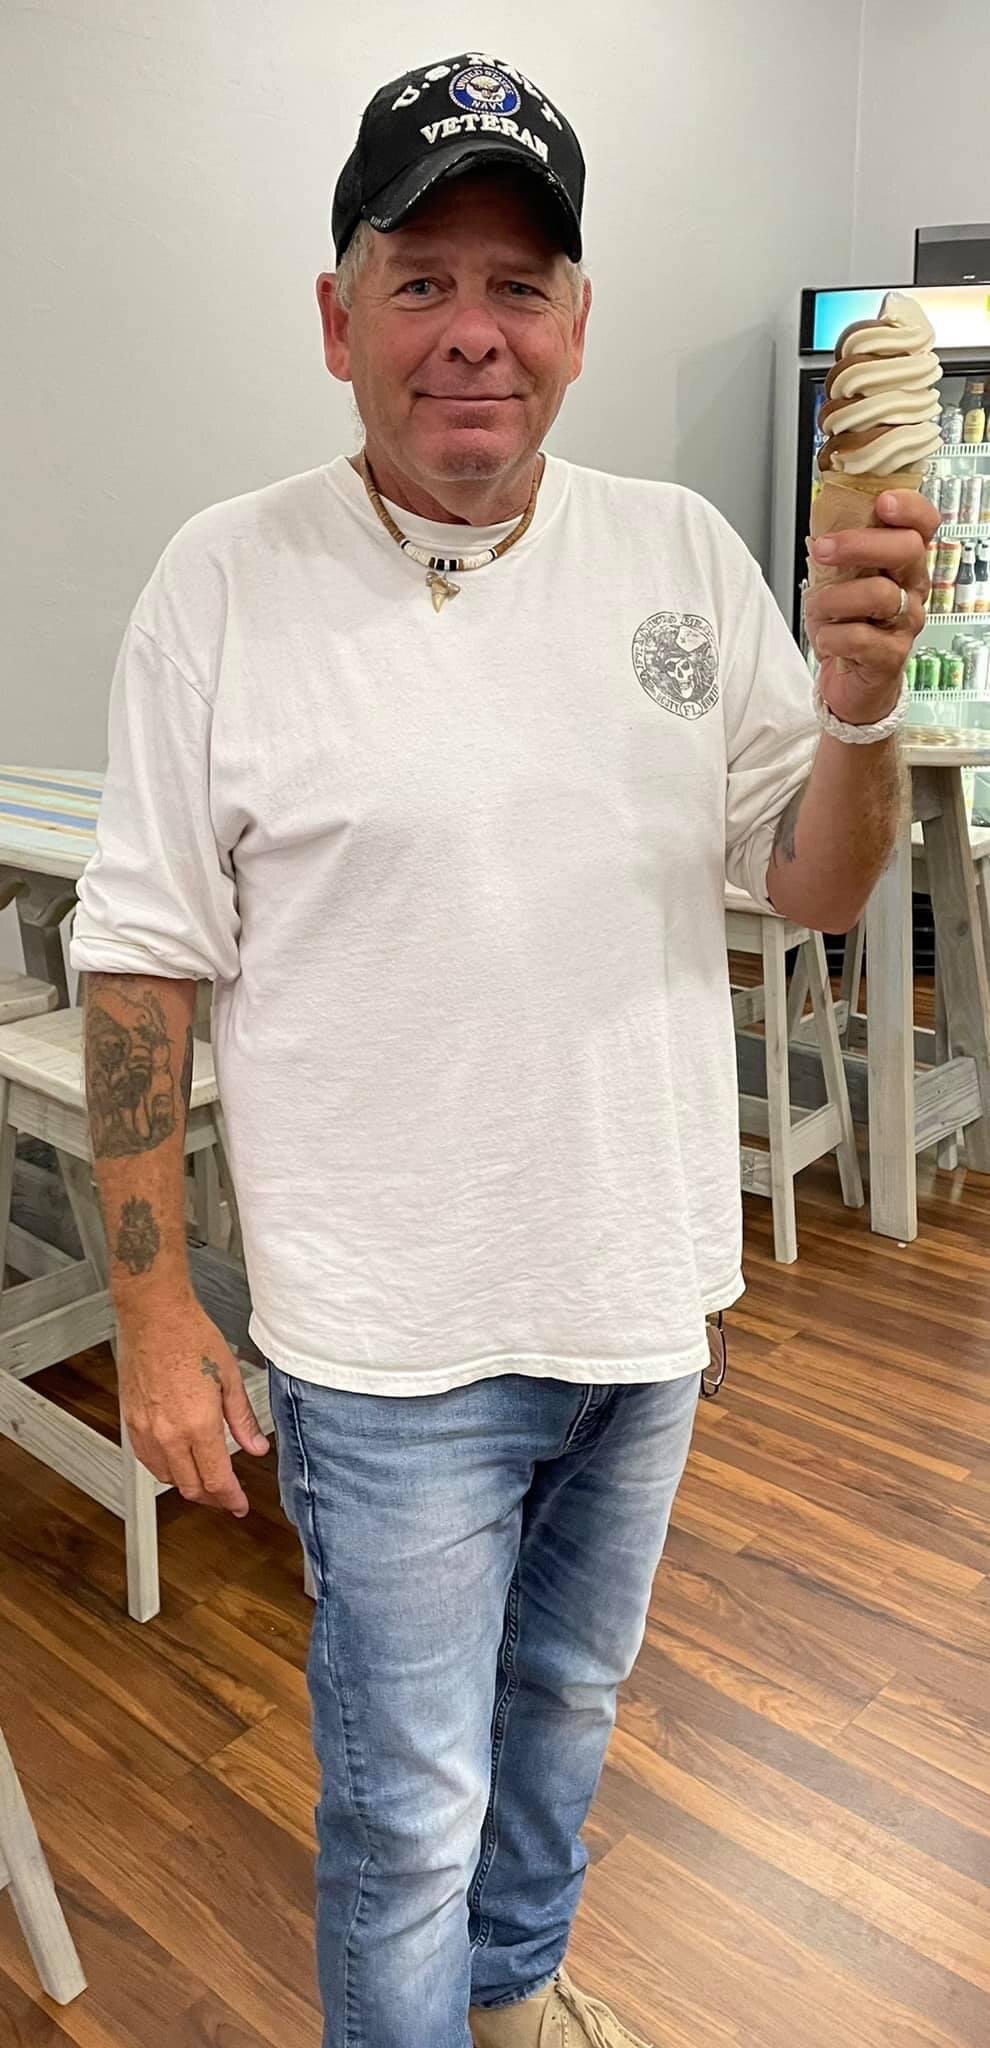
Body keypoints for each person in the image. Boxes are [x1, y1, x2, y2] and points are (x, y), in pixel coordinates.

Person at [69, 50, 937, 2048]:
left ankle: (518, 1996)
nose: (475, 331)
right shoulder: (224, 581)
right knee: (406, 1807)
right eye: (424, 279)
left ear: (578, 324)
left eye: (520, 285)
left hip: (641, 1305)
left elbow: (811, 885)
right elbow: (139, 965)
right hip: (385, 1352)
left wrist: (861, 704)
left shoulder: (679, 557)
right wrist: (156, 1313)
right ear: (338, 318)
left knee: (561, 1716)